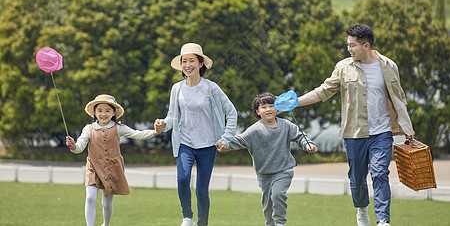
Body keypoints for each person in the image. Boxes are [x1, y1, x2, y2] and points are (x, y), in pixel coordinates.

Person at [295, 24, 415, 226]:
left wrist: (407, 129)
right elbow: (323, 91)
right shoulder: (343, 67)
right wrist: (296, 101)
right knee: (357, 179)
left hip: (382, 132)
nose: (349, 49)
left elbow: (399, 98)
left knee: (380, 173)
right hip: (354, 133)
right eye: (348, 45)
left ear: (365, 45)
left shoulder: (389, 66)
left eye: (352, 45)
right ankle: (361, 210)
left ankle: (383, 220)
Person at [154, 43, 237, 226]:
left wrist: (226, 138)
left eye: (192, 60)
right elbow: (172, 118)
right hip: (185, 143)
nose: (187, 65)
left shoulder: (211, 88)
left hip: (208, 145)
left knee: (201, 191)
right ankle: (187, 217)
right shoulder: (177, 88)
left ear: (201, 64)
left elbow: (231, 113)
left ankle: (202, 223)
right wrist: (162, 124)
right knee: (183, 178)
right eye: (184, 61)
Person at [216, 92, 317, 226]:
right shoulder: (254, 130)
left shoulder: (286, 125)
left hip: (283, 170)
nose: (268, 109)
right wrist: (224, 145)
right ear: (257, 111)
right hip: (264, 174)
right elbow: (238, 140)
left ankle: (280, 223)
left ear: (277, 108)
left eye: (271, 106)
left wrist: (309, 145)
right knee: (267, 205)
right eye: (263, 107)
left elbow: (300, 136)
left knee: (277, 195)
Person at [66, 94, 163, 226]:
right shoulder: (88, 129)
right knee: (90, 198)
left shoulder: (119, 128)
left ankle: (106, 224)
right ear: (94, 112)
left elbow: (138, 134)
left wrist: (155, 132)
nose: (103, 114)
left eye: (107, 110)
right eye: (100, 110)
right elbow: (78, 148)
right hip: (93, 167)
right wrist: (72, 145)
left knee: (107, 203)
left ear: (113, 113)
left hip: (112, 169)